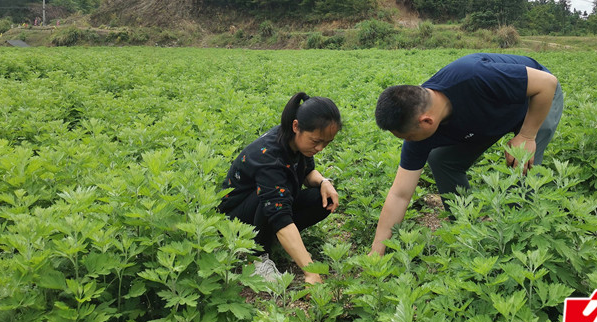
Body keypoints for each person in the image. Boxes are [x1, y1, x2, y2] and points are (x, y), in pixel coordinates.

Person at [370, 53, 563, 255]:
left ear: (427, 121)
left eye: (408, 137)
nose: (408, 143)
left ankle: (520, 242)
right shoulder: (420, 123)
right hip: (488, 116)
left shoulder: (473, 77)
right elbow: (399, 194)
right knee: (441, 159)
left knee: (522, 165)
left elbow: (547, 84)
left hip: (536, 101)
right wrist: (377, 250)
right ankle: (467, 227)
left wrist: (527, 134)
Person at [218, 92, 341, 283]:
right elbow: (278, 213)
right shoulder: (269, 157)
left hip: (267, 207)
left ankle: (279, 240)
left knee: (322, 199)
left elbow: (307, 172)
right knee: (270, 194)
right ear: (296, 127)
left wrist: (324, 182)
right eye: (316, 141)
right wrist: (311, 272)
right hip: (235, 221)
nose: (320, 148)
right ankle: (254, 258)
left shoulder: (297, 141)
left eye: (326, 143)